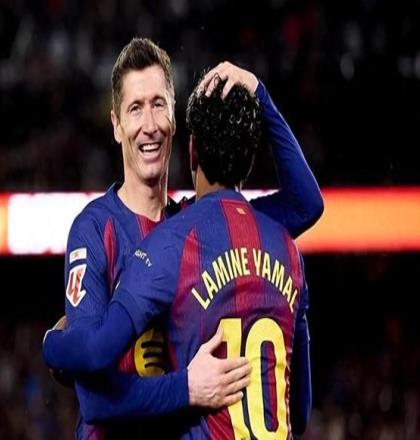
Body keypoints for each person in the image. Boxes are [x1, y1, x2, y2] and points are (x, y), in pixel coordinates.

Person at [48, 38, 322, 438]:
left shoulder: (199, 228)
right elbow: (95, 401)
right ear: (116, 125)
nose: (149, 124)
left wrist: (258, 94)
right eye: (135, 108)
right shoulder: (94, 229)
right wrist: (187, 388)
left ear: (176, 120)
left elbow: (304, 204)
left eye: (158, 104)